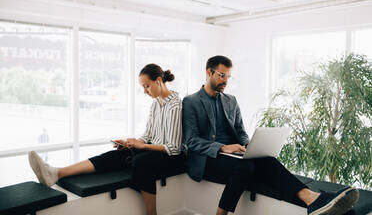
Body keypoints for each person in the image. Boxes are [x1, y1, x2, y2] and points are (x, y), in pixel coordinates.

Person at [182, 55, 359, 215]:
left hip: (234, 156)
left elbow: (240, 131)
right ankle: (221, 213)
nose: (225, 81)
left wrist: (248, 147)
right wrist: (222, 147)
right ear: (208, 72)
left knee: (265, 159)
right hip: (208, 160)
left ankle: (312, 198)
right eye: (222, 75)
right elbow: (191, 140)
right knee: (248, 167)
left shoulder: (231, 100)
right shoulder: (191, 101)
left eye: (228, 76)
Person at [29, 63, 184, 215]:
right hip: (152, 150)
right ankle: (57, 173)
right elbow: (148, 135)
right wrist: (133, 143)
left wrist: (141, 146)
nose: (144, 91)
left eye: (147, 86)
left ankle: (152, 212)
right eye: (142, 87)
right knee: (116, 154)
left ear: (158, 81)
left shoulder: (175, 106)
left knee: (140, 162)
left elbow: (174, 147)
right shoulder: (156, 104)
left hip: (169, 156)